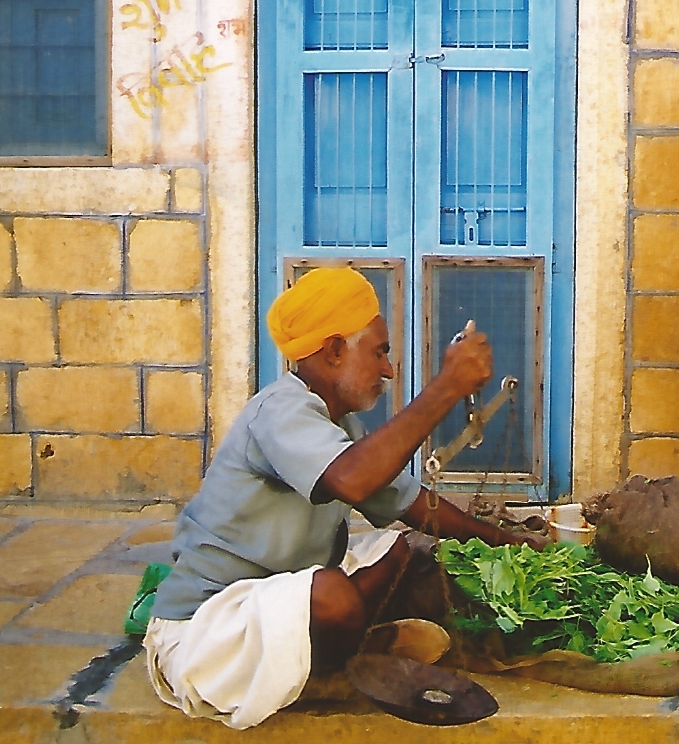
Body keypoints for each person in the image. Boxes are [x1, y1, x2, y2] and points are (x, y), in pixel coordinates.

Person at [145, 267, 546, 729]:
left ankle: (340, 642)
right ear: (335, 350)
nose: (389, 370)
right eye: (379, 353)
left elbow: (414, 505)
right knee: (333, 596)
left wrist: (510, 543)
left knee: (404, 550)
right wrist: (447, 387)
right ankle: (333, 656)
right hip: (208, 631)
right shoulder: (279, 410)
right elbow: (352, 480)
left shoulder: (337, 425)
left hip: (280, 595)